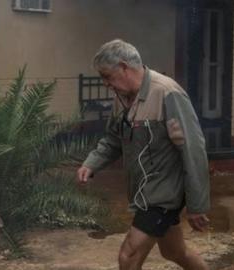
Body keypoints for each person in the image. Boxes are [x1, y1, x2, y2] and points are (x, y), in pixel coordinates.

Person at [77, 39, 210, 270]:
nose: (107, 84)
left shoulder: (167, 93)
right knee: (174, 252)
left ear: (124, 67)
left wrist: (197, 205)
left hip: (163, 194)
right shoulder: (122, 98)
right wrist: (91, 164)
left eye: (107, 76)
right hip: (143, 192)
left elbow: (193, 150)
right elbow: (113, 138)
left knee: (128, 256)